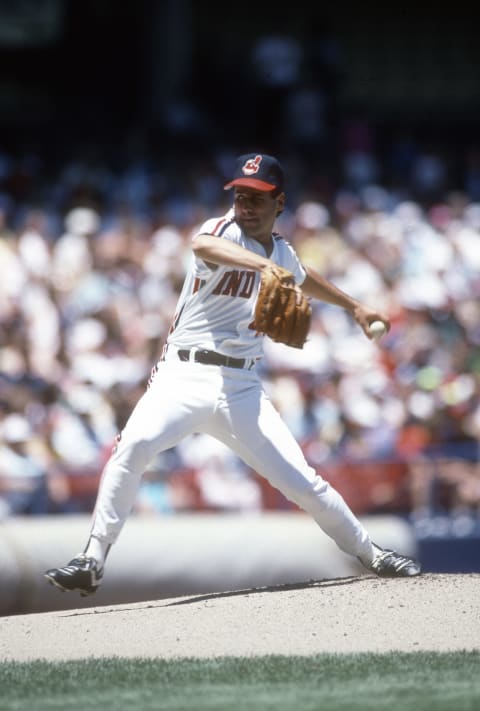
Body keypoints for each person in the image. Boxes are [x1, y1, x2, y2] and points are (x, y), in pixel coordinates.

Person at [44, 152, 421, 596]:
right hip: (182, 377)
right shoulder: (221, 230)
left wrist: (354, 306)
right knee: (133, 448)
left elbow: (300, 274)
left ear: (279, 202)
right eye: (240, 194)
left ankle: (371, 554)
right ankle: (92, 558)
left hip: (241, 387)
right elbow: (202, 246)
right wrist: (264, 268)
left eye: (257, 197)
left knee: (301, 482)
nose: (246, 203)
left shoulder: (280, 250)